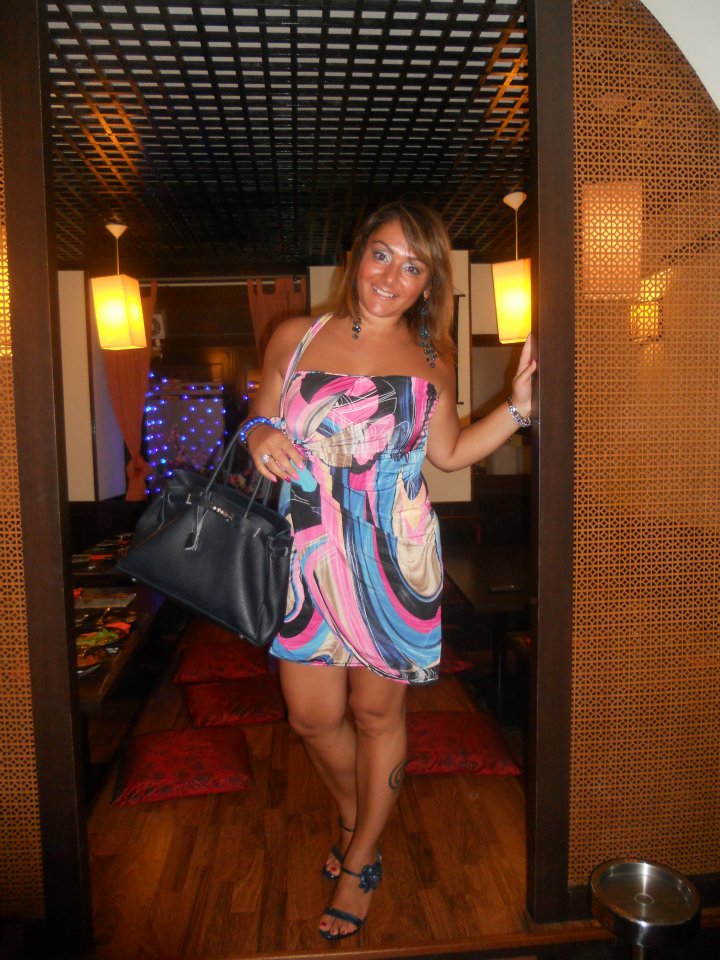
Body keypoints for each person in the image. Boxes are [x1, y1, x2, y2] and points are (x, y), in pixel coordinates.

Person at [238, 201, 535, 941]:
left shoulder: (432, 358)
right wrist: (260, 436)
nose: (391, 276)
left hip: (395, 558)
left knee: (377, 717)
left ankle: (362, 856)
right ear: (357, 257)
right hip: (308, 555)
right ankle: (355, 815)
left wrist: (520, 408)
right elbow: (260, 418)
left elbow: (451, 453)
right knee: (311, 717)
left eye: (413, 266)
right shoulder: (295, 336)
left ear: (428, 283)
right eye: (382, 254)